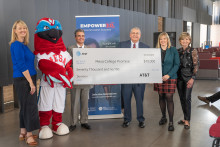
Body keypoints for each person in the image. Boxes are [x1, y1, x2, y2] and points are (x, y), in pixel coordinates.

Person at [9, 20, 40, 146]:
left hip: (26, 78)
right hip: (24, 79)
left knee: (24, 106)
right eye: (20, 28)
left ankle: (22, 132)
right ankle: (28, 136)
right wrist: (31, 83)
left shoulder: (23, 45)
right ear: (15, 31)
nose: (23, 30)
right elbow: (22, 66)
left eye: (25, 28)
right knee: (30, 107)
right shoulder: (16, 45)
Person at [118, 27, 149, 128]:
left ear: (140, 35)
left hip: (139, 79)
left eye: (137, 33)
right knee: (126, 99)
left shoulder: (146, 47)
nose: (135, 35)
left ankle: (140, 119)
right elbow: (117, 59)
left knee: (139, 100)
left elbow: (148, 63)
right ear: (130, 35)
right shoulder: (122, 45)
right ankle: (127, 119)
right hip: (126, 78)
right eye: (133, 33)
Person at [67, 29, 93, 131]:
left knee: (85, 102)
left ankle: (84, 121)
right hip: (75, 81)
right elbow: (67, 65)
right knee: (74, 102)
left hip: (86, 80)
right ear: (75, 37)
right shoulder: (70, 49)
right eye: (79, 36)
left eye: (82, 36)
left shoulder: (89, 49)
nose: (81, 37)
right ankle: (73, 123)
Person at [154, 32, 180, 131]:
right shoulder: (155, 51)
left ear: (168, 40)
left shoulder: (173, 50)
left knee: (169, 97)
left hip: (171, 77)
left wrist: (168, 75)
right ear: (159, 40)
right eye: (161, 39)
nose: (163, 40)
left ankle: (171, 121)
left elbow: (177, 64)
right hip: (158, 77)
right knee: (161, 96)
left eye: (165, 38)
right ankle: (163, 117)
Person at [177, 32, 199, 129]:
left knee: (187, 99)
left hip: (188, 78)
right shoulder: (177, 51)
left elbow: (196, 65)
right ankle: (185, 118)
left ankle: (187, 120)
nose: (184, 41)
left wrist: (192, 78)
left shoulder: (193, 51)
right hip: (179, 78)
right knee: (182, 99)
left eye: (187, 39)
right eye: (182, 39)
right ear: (180, 41)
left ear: (189, 41)